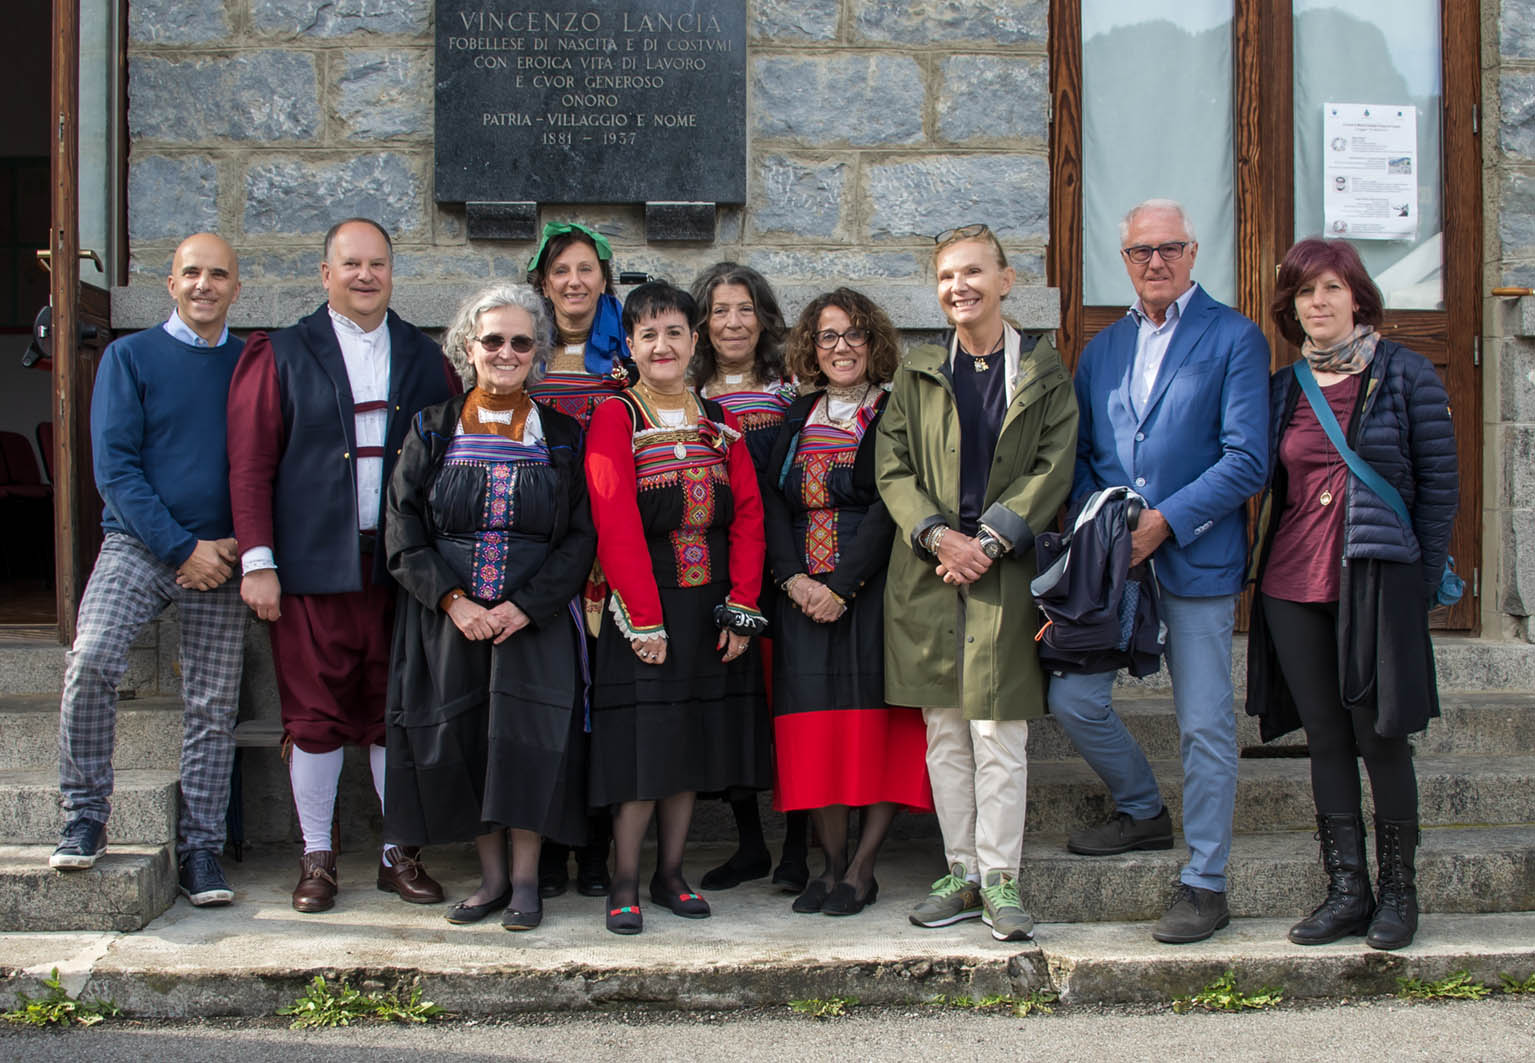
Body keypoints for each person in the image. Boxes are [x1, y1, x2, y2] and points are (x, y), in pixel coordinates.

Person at [1047, 198, 1270, 944]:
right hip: (1113, 562)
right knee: (1073, 696)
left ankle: (1205, 880)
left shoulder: (1233, 338)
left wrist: (1164, 521)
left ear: (1192, 252)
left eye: (1169, 247)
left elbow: (1246, 458)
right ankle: (1142, 807)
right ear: (1124, 260)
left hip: (1196, 557)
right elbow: (1082, 459)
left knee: (1204, 722)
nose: (1155, 261)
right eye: (1141, 250)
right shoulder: (1101, 348)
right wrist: (1103, 524)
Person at [226, 218, 457, 913]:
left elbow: (450, 461)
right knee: (316, 713)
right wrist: (258, 561)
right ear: (325, 274)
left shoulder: (423, 355)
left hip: (400, 567)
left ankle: (396, 852)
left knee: (395, 711)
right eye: (350, 264)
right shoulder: (282, 351)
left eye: (377, 264)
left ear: (392, 272)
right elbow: (249, 464)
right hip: (309, 568)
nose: (365, 275)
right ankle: (318, 857)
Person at [1247, 237, 1457, 951]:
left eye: (1332, 288)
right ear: (1291, 307)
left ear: (1358, 298)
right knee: (1327, 740)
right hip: (1290, 586)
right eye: (1305, 292)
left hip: (1375, 581)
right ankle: (1346, 890)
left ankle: (1399, 894)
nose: (1319, 302)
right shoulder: (1282, 388)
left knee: (1381, 736)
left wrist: (1419, 587)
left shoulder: (1407, 375)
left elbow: (1438, 488)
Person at [876, 223, 1078, 942]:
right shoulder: (919, 369)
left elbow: (1052, 465)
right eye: (945, 277)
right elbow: (891, 465)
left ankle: (1000, 878)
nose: (958, 287)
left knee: (997, 729)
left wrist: (987, 541)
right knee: (944, 730)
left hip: (1003, 572)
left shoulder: (1044, 373)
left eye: (971, 272)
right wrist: (938, 535)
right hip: (930, 571)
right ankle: (960, 871)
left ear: (1004, 279)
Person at [384, 284, 596, 932]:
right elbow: (401, 525)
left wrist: (525, 606)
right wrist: (453, 600)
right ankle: (492, 879)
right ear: (467, 349)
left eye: (521, 342)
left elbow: (581, 535)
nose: (506, 352)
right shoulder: (430, 426)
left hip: (532, 623)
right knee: (468, 741)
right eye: (492, 340)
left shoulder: (562, 434)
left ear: (538, 353)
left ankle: (528, 880)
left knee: (528, 744)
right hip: (451, 621)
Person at [51, 233, 247, 908]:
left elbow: (266, 466)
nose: (204, 284)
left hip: (222, 553)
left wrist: (230, 545)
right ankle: (84, 814)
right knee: (92, 658)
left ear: (235, 288)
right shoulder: (127, 357)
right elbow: (116, 471)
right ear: (170, 283)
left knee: (214, 704)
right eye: (191, 272)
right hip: (137, 543)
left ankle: (199, 849)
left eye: (217, 274)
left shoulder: (251, 363)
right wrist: (179, 547)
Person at [584, 281, 771, 935]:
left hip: (709, 608)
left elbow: (747, 515)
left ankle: (670, 872)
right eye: (646, 335)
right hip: (644, 608)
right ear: (629, 347)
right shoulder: (617, 417)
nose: (661, 346)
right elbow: (613, 519)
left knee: (688, 745)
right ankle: (624, 878)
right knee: (643, 749)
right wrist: (642, 617)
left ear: (694, 341)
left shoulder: (720, 423)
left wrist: (742, 607)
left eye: (672, 332)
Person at [765, 288, 932, 917]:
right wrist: (794, 580)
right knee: (816, 735)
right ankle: (831, 864)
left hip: (874, 598)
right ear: (811, 346)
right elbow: (773, 503)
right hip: (802, 597)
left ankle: (863, 867)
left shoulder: (895, 412)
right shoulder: (793, 416)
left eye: (855, 335)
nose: (841, 347)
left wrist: (841, 587)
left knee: (877, 733)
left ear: (874, 344)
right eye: (828, 336)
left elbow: (895, 505)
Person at [687, 261, 809, 893]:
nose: (732, 322)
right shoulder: (688, 392)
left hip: (787, 561)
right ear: (701, 322)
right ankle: (749, 842)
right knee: (736, 705)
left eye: (744, 309)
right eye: (719, 310)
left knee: (789, 701)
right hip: (719, 565)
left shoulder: (794, 387)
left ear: (763, 315)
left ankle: (798, 844)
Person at [525, 220, 630, 899]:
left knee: (607, 704)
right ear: (542, 281)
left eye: (586, 268)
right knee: (549, 705)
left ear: (603, 278)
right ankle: (552, 841)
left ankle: (596, 846)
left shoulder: (627, 356)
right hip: (541, 557)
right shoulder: (520, 353)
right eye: (560, 268)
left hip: (611, 558)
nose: (573, 280)